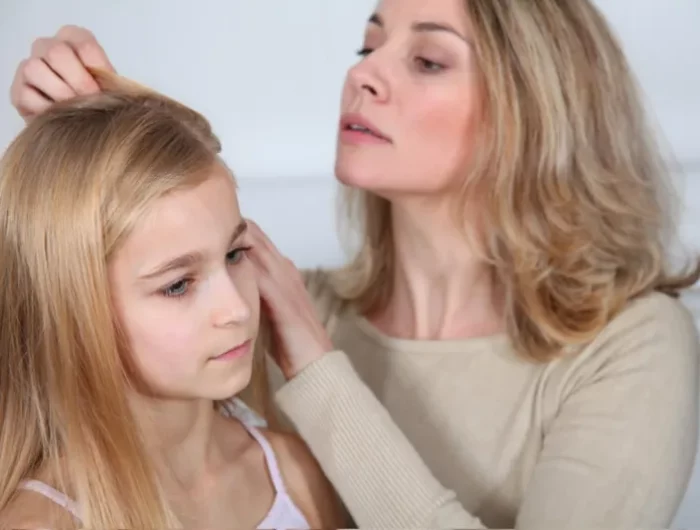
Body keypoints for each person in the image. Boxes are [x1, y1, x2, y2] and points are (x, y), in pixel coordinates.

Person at [9, 0, 700, 528]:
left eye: (427, 60)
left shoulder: (634, 345)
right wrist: (76, 158)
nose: (362, 74)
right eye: (368, 45)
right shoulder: (252, 317)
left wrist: (313, 361)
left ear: (537, 109)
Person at [0, 69, 342, 529]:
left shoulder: (294, 473)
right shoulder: (43, 523)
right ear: (74, 313)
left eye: (235, 253)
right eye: (178, 284)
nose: (238, 309)